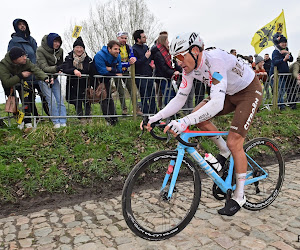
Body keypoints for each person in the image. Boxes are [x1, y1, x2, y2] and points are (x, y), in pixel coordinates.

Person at [143, 32, 263, 216]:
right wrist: (155, 117)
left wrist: (184, 122)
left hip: (248, 91)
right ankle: (224, 152)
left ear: (196, 51)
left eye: (181, 57)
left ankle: (240, 196)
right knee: (198, 115)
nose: (179, 63)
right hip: (228, 93)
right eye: (176, 58)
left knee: (234, 141)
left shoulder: (215, 61)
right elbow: (180, 99)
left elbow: (216, 103)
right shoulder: (188, 69)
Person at [0, 47, 52, 132]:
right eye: (22, 56)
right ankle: (19, 122)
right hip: (9, 85)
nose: (25, 58)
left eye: (25, 55)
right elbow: (6, 82)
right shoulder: (3, 65)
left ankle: (28, 123)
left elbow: (35, 69)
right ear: (15, 59)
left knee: (26, 101)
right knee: (14, 104)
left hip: (21, 83)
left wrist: (45, 78)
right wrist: (21, 75)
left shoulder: (26, 62)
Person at [7, 18, 50, 119]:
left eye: (24, 24)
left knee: (45, 95)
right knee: (29, 98)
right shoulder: (14, 42)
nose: (22, 26)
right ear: (16, 27)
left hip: (36, 72)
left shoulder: (32, 40)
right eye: (20, 25)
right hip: (24, 74)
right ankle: (31, 118)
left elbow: (38, 55)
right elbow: (12, 58)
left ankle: (51, 115)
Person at [36, 33, 67, 128]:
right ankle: (56, 122)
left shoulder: (60, 51)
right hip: (43, 78)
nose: (57, 44)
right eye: (55, 41)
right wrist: (57, 69)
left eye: (59, 42)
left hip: (55, 78)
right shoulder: (40, 50)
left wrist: (59, 71)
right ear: (50, 41)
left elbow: (60, 64)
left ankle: (63, 121)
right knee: (51, 100)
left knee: (60, 99)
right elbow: (43, 67)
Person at [62, 37, 92, 120]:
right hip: (73, 84)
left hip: (84, 84)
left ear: (84, 49)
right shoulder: (69, 58)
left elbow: (88, 70)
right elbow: (65, 68)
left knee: (87, 102)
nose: (79, 50)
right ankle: (81, 119)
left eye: (81, 48)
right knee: (76, 101)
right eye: (77, 47)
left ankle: (88, 117)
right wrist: (74, 70)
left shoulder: (88, 59)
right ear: (74, 48)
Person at [94, 40, 122, 126]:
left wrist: (110, 69)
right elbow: (102, 71)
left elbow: (120, 70)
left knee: (109, 99)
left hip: (107, 79)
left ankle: (114, 119)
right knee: (103, 98)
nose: (117, 51)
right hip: (96, 79)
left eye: (118, 49)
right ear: (109, 49)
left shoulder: (118, 56)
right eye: (115, 49)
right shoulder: (99, 55)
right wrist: (115, 72)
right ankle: (108, 120)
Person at [116, 31, 142, 115]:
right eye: (122, 38)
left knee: (132, 89)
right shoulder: (115, 47)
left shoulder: (128, 47)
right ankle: (124, 109)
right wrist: (128, 63)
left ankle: (136, 109)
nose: (124, 40)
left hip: (126, 71)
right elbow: (117, 62)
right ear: (118, 38)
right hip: (116, 71)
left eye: (125, 38)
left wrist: (133, 58)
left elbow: (132, 56)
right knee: (120, 90)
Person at [151, 35, 181, 106]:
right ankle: (169, 113)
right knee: (168, 95)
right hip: (163, 77)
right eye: (167, 41)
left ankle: (172, 112)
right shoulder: (158, 53)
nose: (168, 42)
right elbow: (163, 67)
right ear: (163, 41)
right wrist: (173, 72)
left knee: (171, 95)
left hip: (167, 76)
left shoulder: (165, 52)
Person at [132, 29, 157, 114]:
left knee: (152, 95)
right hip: (140, 76)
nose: (146, 38)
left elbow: (150, 58)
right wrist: (145, 57)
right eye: (143, 37)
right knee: (144, 96)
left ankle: (154, 113)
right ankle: (146, 114)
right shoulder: (133, 49)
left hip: (149, 74)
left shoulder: (146, 47)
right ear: (138, 39)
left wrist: (152, 63)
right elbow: (135, 63)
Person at [269, 34, 293, 110]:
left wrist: (288, 53)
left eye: (285, 42)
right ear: (279, 43)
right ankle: (280, 105)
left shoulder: (285, 51)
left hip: (283, 75)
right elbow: (275, 62)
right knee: (279, 90)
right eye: (282, 42)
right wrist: (283, 60)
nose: (284, 44)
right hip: (276, 75)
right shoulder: (276, 52)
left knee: (282, 90)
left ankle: (279, 104)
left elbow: (291, 59)